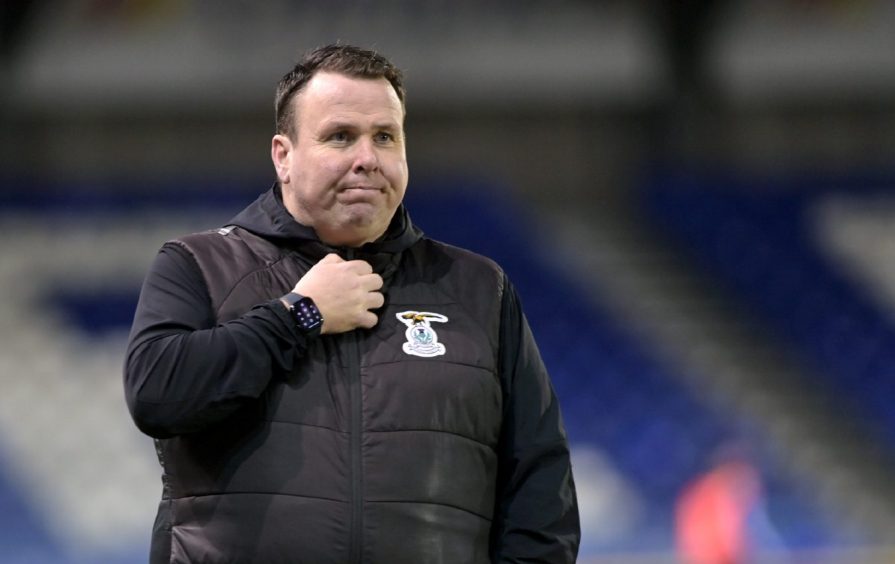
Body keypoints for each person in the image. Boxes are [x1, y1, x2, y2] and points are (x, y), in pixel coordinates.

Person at [124, 44, 580, 563]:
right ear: (284, 156)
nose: (367, 158)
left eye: (385, 137)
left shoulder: (478, 288)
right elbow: (157, 395)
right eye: (340, 136)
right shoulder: (200, 264)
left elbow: (540, 483)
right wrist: (298, 315)